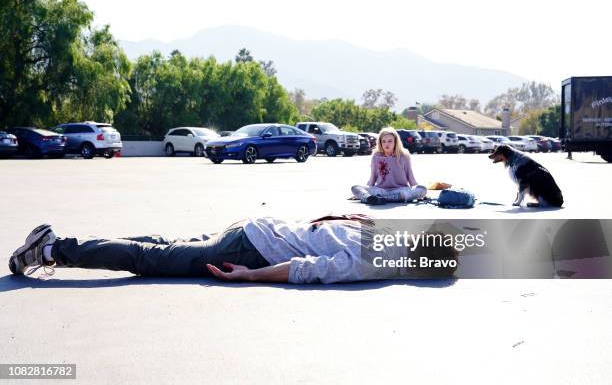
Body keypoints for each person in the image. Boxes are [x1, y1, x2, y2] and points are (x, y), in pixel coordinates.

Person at [8, 216, 458, 284]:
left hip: (256, 227)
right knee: (154, 262)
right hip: (252, 249)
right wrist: (250, 276)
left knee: (168, 248)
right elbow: (305, 268)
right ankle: (53, 251)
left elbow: (326, 225)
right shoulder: (377, 260)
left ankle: (60, 245)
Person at [351, 127, 427, 205]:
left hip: (400, 191)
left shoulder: (404, 156)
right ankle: (369, 198)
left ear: (395, 142)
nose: (386, 144)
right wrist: (364, 192)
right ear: (380, 143)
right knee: (355, 187)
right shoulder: (376, 157)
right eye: (383, 141)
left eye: (390, 141)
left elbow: (411, 178)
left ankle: (384, 199)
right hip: (381, 191)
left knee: (422, 189)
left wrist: (418, 192)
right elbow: (372, 178)